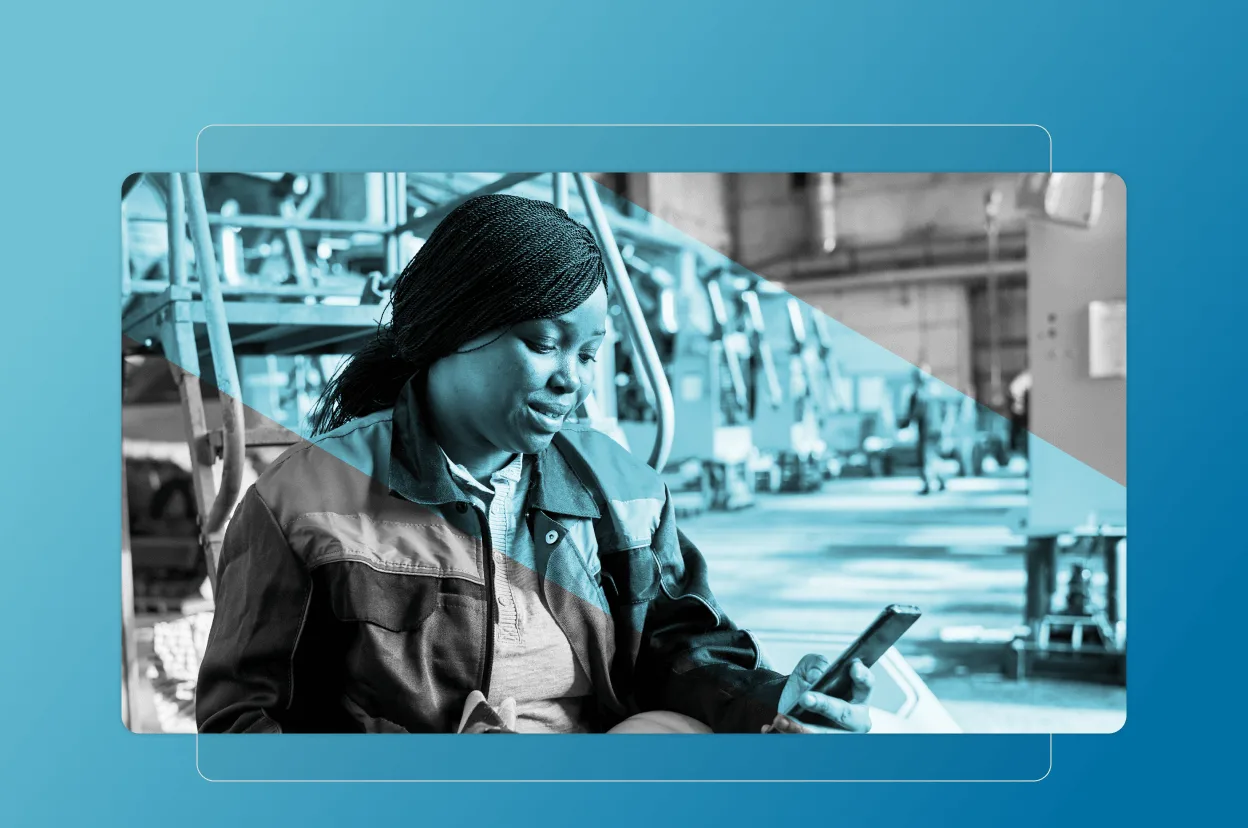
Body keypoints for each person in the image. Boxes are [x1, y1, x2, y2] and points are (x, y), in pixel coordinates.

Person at [195, 194, 874, 735]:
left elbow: (680, 646)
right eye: (544, 343)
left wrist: (770, 700)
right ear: (452, 329)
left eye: (588, 354)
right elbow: (241, 720)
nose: (571, 380)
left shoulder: (621, 490)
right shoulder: (305, 499)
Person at [902, 365, 945, 495]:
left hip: (926, 430)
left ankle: (927, 483)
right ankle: (941, 481)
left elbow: (914, 413)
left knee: (925, 457)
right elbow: (943, 411)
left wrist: (904, 424)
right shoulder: (935, 391)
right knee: (934, 456)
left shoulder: (917, 394)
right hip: (937, 430)